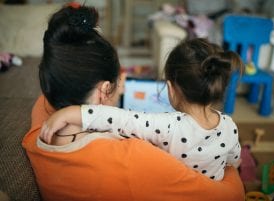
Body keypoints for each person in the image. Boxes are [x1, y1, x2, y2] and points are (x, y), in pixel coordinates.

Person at [22, 3, 245, 201]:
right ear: (104, 89)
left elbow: (127, 120)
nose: (123, 83)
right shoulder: (135, 160)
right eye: (119, 80)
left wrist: (75, 112)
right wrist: (229, 169)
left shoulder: (40, 118)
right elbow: (233, 193)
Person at [40, 38, 243, 181]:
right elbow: (234, 160)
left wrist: (71, 112)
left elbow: (121, 119)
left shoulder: (169, 126)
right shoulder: (229, 126)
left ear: (171, 89)